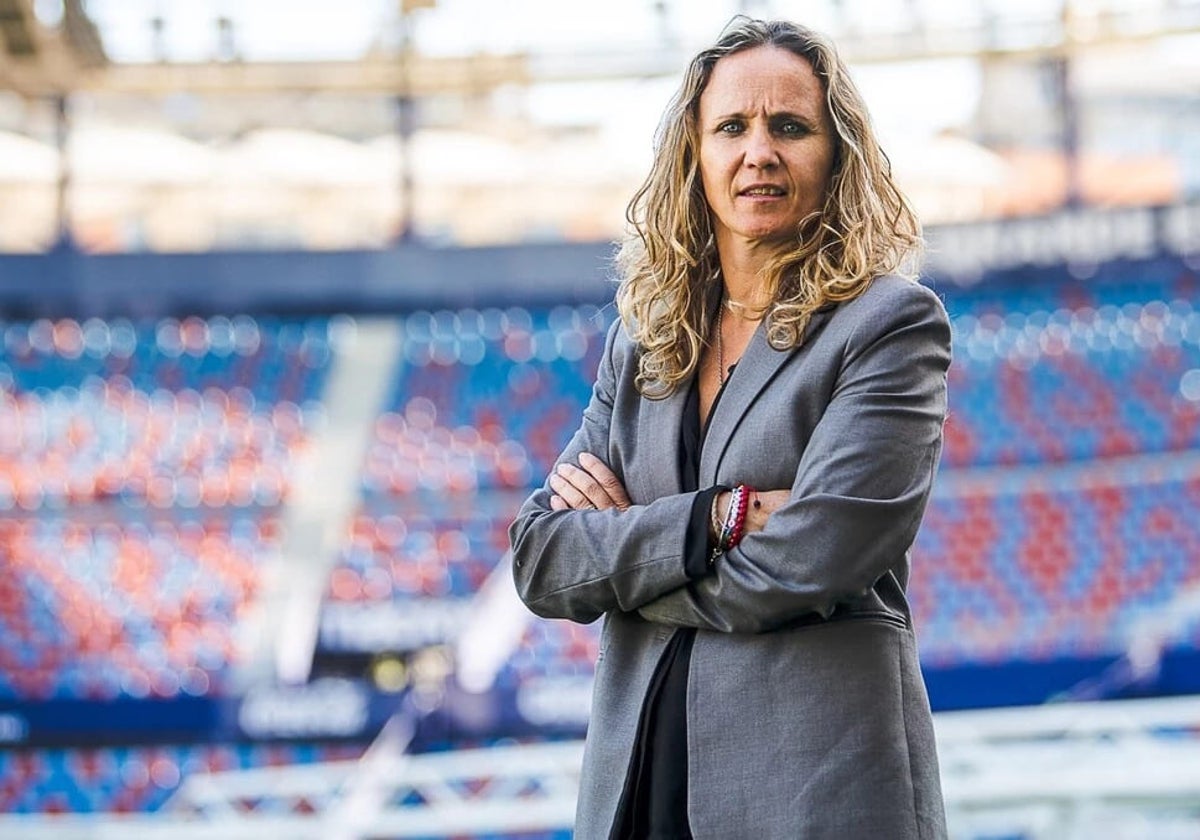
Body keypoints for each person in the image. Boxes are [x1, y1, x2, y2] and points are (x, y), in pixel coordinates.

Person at [509, 16, 950, 840]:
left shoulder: (889, 324)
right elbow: (542, 561)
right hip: (637, 790)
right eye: (731, 128)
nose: (760, 152)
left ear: (837, 155)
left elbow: (810, 558)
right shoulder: (643, 340)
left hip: (812, 794)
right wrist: (721, 517)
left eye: (791, 127)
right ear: (695, 155)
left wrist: (628, 570)